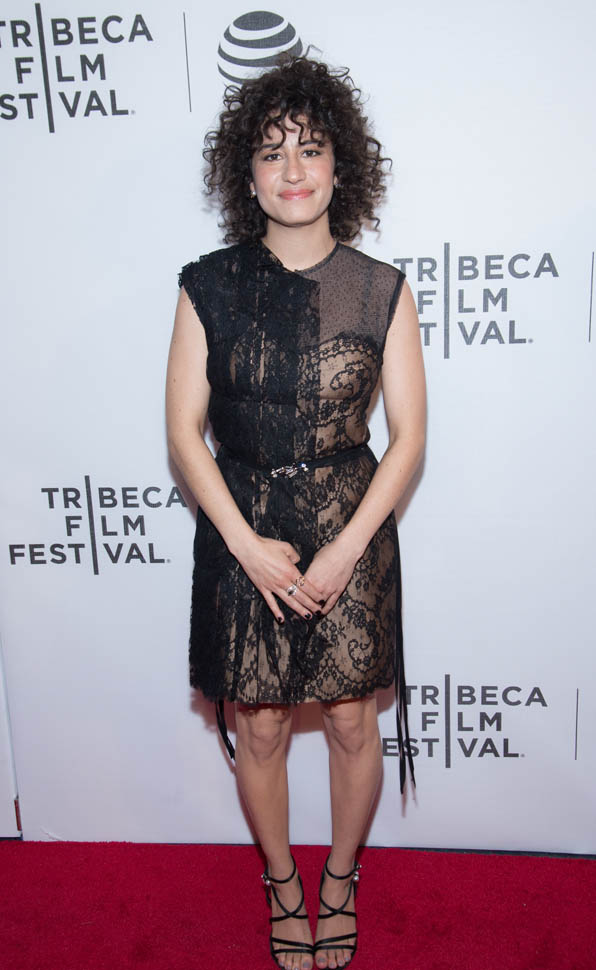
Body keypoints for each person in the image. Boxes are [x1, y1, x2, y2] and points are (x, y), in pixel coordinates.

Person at [166, 54, 426, 970]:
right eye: (272, 152)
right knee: (264, 725)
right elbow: (184, 433)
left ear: (338, 165)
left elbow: (407, 440)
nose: (292, 169)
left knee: (354, 722)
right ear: (247, 175)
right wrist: (247, 547)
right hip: (244, 533)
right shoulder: (207, 284)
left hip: (351, 529)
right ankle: (282, 883)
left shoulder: (381, 288)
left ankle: (341, 877)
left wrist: (345, 550)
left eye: (310, 149)